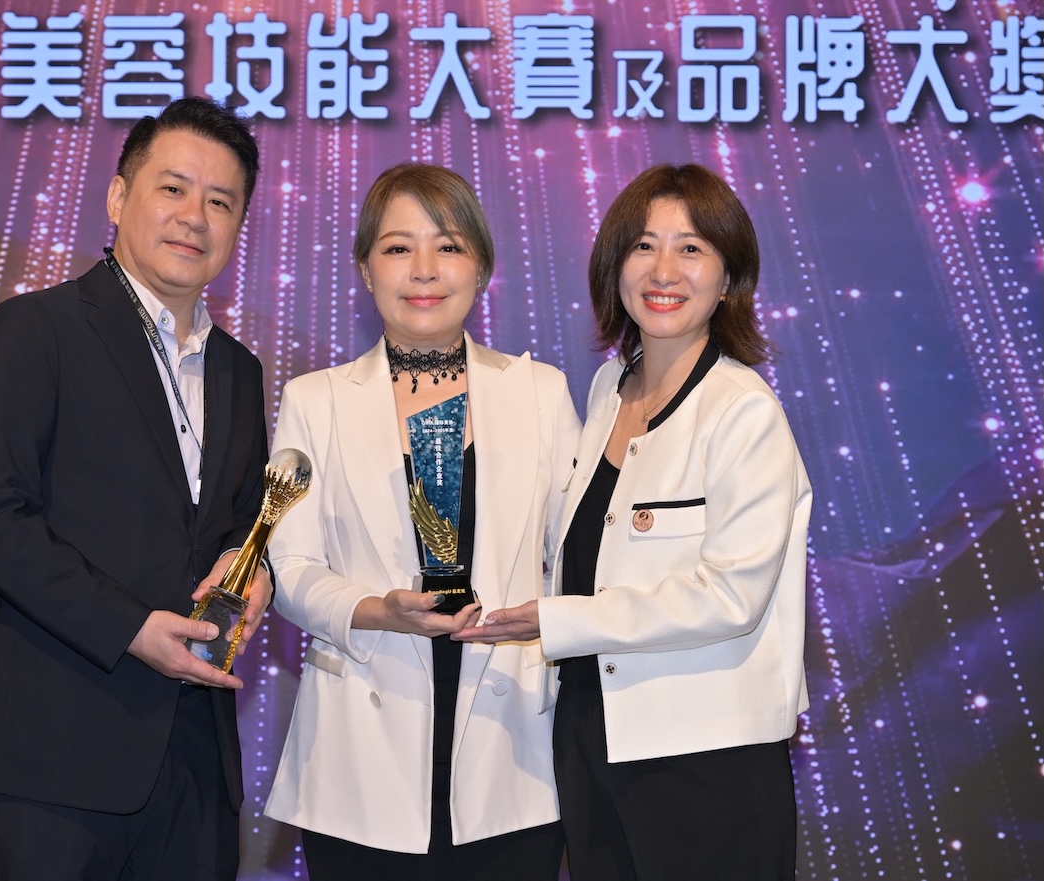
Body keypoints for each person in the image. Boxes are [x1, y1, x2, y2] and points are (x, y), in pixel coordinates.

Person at [0, 96, 272, 881]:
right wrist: (128, 627)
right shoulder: (35, 328)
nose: (194, 217)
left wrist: (251, 565)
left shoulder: (239, 369)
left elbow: (239, 520)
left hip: (194, 760)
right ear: (119, 197)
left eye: (220, 201)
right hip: (54, 754)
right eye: (173, 188)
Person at [456, 163, 812, 880]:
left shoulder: (743, 410)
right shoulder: (606, 388)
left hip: (707, 757)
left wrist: (558, 620)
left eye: (692, 248)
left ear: (728, 276)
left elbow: (731, 597)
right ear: (614, 265)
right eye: (643, 245)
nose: (663, 270)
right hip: (592, 737)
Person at [263, 163, 581, 880]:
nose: (424, 270)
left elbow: (574, 557)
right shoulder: (315, 399)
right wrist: (377, 609)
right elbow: (291, 565)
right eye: (398, 247)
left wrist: (545, 618)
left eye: (449, 246)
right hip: (359, 755)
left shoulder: (540, 391)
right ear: (364, 268)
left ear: (481, 267)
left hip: (512, 751)